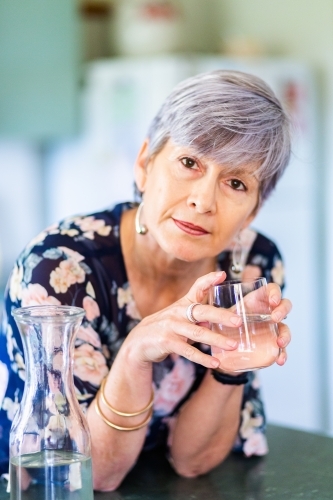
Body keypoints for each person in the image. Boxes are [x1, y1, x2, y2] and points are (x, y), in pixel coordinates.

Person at [0, 70, 292, 491]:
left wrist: (231, 367)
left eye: (235, 182)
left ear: (252, 212)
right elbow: (92, 476)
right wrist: (137, 351)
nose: (203, 201)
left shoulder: (251, 265)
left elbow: (194, 462)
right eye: (190, 163)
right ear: (144, 164)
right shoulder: (61, 268)